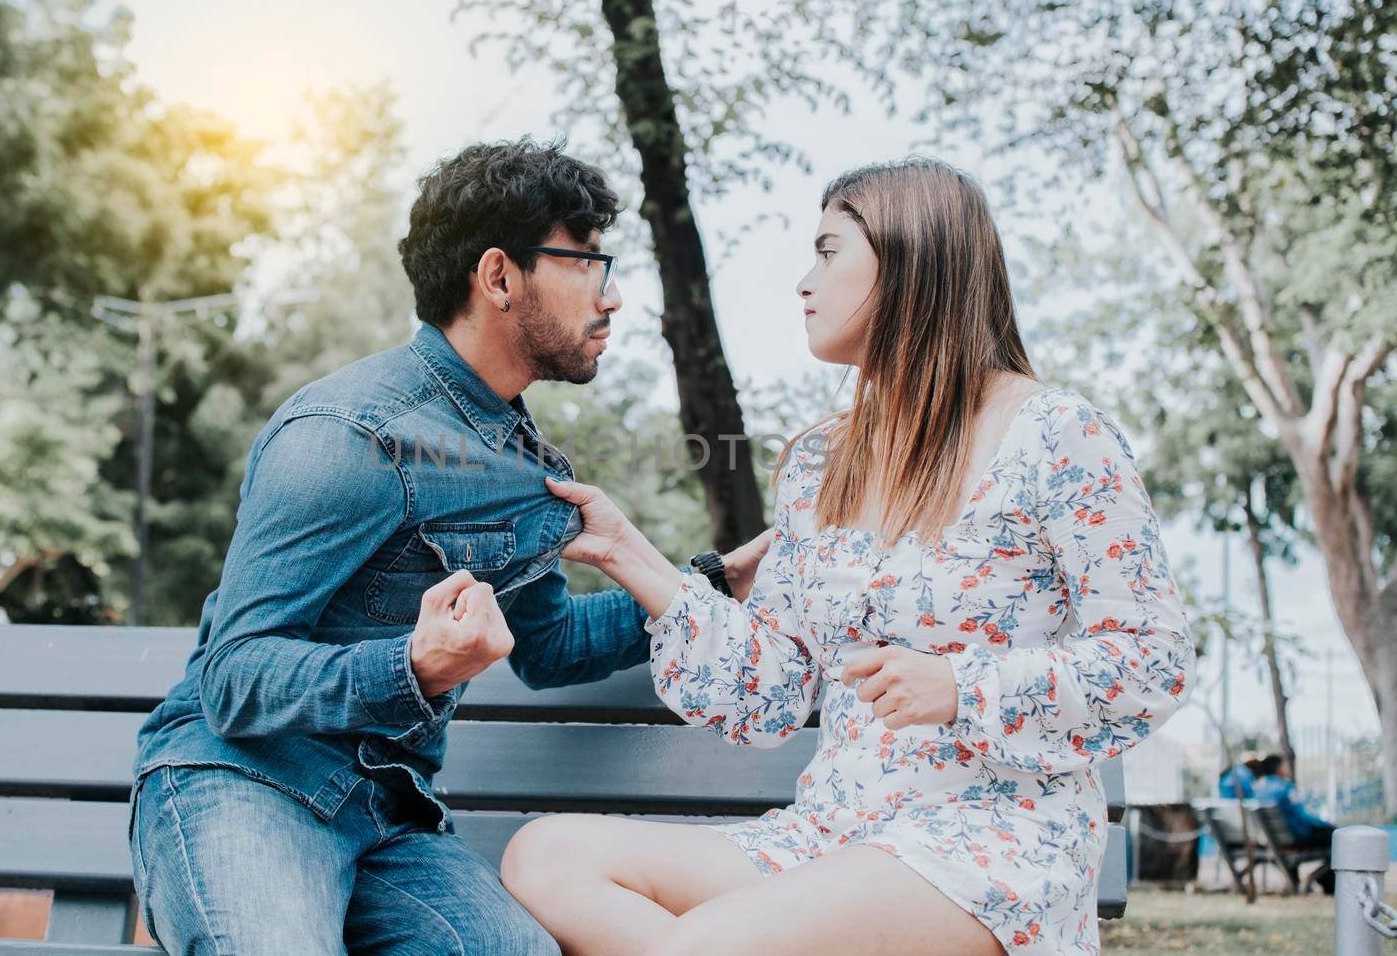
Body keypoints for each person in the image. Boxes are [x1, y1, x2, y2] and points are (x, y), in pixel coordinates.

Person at [502, 157, 1195, 956]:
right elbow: (767, 697)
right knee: (546, 857)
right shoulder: (821, 464)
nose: (804, 281)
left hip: (990, 843)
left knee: (699, 946)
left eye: (828, 251)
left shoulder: (1057, 434)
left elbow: (1154, 660)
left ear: (909, 261)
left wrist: (961, 686)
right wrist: (631, 556)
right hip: (831, 833)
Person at [127, 137, 773, 954]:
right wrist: (414, 668)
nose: (610, 299)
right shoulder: (347, 435)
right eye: (584, 264)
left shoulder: (525, 468)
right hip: (244, 782)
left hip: (391, 818)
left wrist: (710, 587)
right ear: (499, 277)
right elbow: (233, 680)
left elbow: (549, 645)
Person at [1249, 754, 1338, 892]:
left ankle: (1304, 878)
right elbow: (1303, 816)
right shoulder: (1285, 787)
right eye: (1284, 766)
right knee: (1336, 836)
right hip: (1296, 838)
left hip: (1274, 840)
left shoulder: (1257, 789)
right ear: (1278, 769)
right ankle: (1326, 879)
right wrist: (1326, 824)